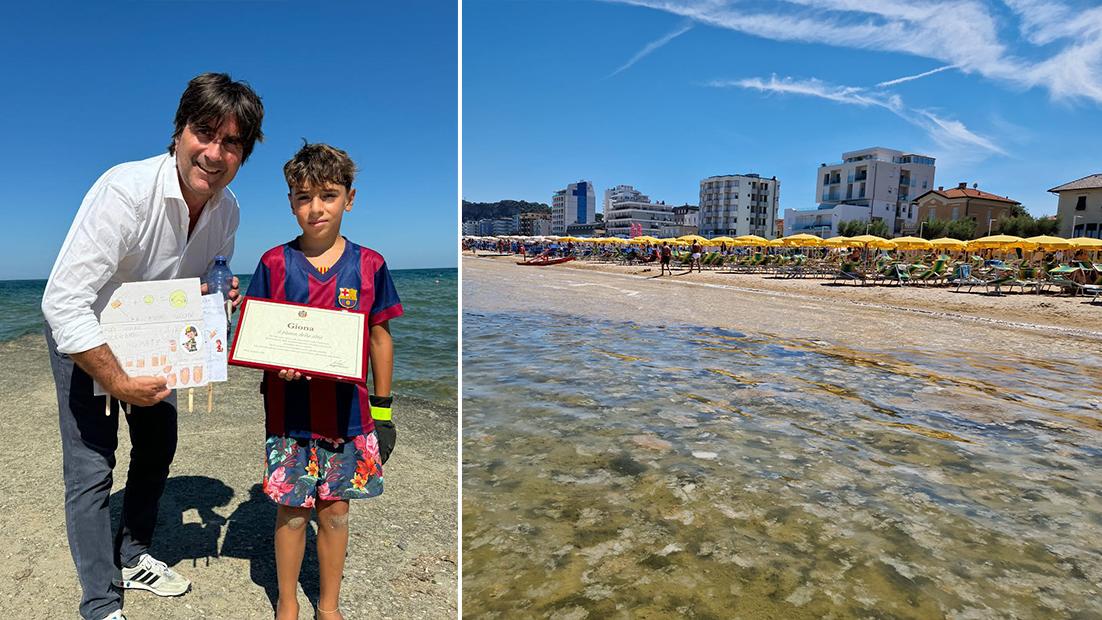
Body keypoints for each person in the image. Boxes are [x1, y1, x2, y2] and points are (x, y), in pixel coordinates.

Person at [40, 73, 263, 620]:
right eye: (204, 132)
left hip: (153, 333)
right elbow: (62, 301)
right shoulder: (126, 190)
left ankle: (132, 551)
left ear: (244, 152)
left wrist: (219, 287)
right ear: (179, 131)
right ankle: (99, 602)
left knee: (158, 443)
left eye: (231, 142)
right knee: (92, 466)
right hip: (85, 333)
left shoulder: (228, 209)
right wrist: (116, 381)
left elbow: (204, 272)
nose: (213, 153)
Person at [244, 142, 402, 620]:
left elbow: (380, 339)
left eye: (328, 196)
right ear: (291, 203)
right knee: (293, 511)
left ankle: (328, 605)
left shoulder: (369, 264)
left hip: (349, 416)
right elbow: (258, 335)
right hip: (289, 414)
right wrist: (276, 365)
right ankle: (287, 602)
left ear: (349, 199)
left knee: (335, 512)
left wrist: (383, 412)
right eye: (303, 197)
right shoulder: (273, 263)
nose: (316, 208)